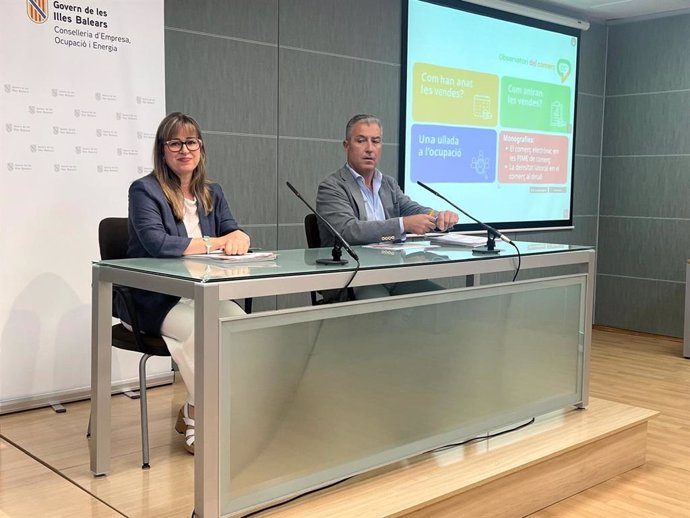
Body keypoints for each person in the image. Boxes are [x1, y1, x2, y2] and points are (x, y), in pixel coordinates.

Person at [121, 112, 250, 454]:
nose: (184, 150)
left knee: (238, 324)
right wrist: (216, 242)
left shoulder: (212, 192)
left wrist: (240, 237)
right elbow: (157, 243)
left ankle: (195, 408)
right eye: (174, 143)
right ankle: (202, 417)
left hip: (200, 292)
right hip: (154, 298)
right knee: (202, 331)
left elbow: (232, 229)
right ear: (162, 151)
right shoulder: (144, 191)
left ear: (200, 148)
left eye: (190, 142)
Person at [316, 114, 459, 299]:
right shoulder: (332, 186)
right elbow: (348, 230)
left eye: (375, 141)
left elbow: (412, 209)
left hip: (393, 273)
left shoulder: (388, 184)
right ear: (346, 145)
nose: (369, 149)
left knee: (444, 302)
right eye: (361, 141)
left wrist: (438, 216)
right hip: (353, 277)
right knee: (384, 311)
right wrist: (403, 225)